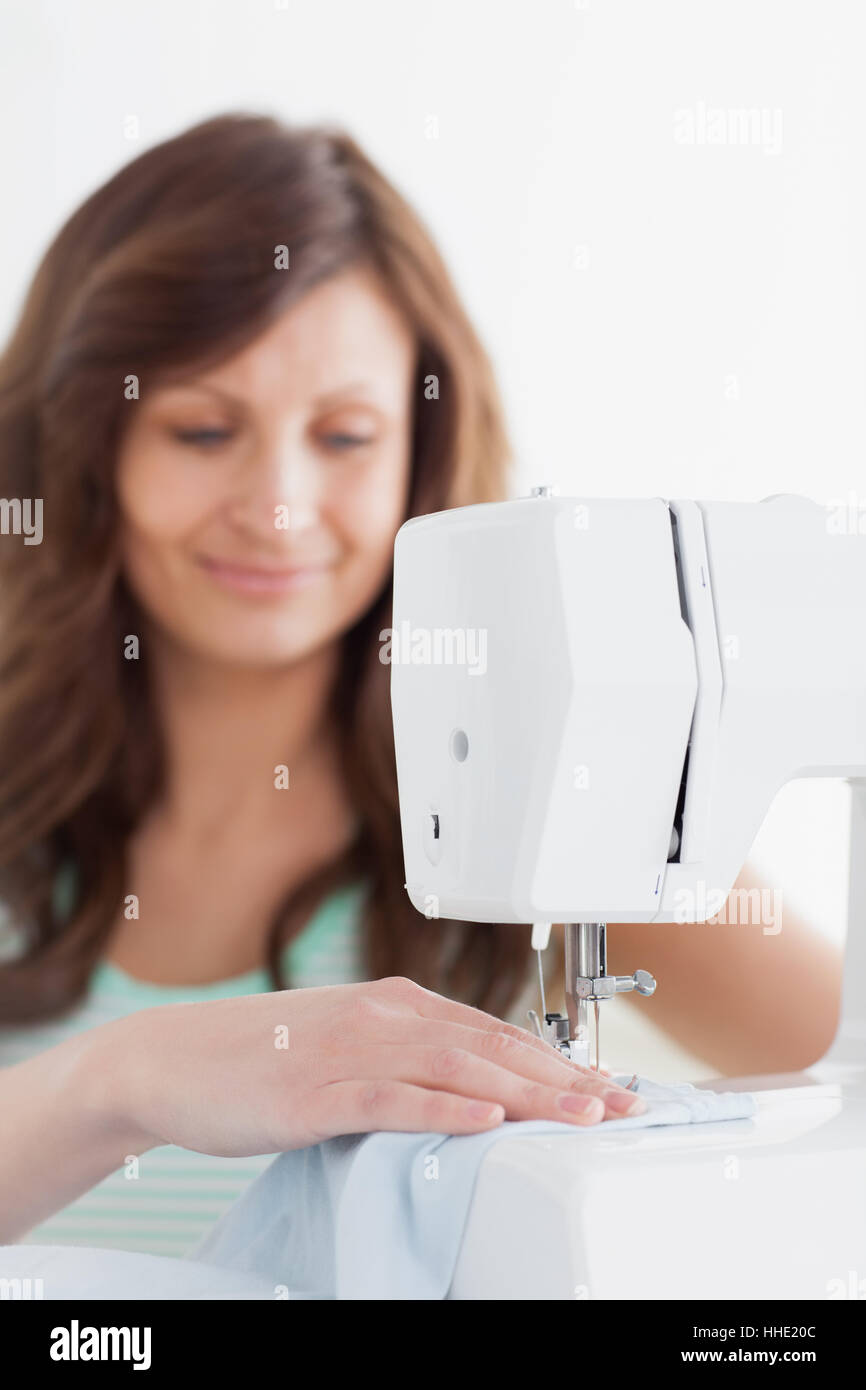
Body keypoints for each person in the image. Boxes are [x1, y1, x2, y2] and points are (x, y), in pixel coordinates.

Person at [0, 113, 841, 1258]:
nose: (280, 502)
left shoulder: (578, 795)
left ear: (418, 452)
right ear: (85, 446)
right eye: (202, 430)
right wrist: (121, 1081)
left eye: (345, 437)